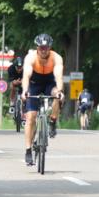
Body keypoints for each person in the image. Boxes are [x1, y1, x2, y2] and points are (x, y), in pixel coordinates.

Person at [22, 33, 64, 166]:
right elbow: (26, 76)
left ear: (50, 47)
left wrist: (60, 91)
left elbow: (59, 77)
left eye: (46, 48)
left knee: (57, 95)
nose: (43, 50)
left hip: (50, 84)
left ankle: (53, 121)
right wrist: (25, 91)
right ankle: (28, 150)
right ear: (37, 47)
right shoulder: (30, 58)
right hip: (34, 84)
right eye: (41, 48)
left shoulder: (56, 58)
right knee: (31, 117)